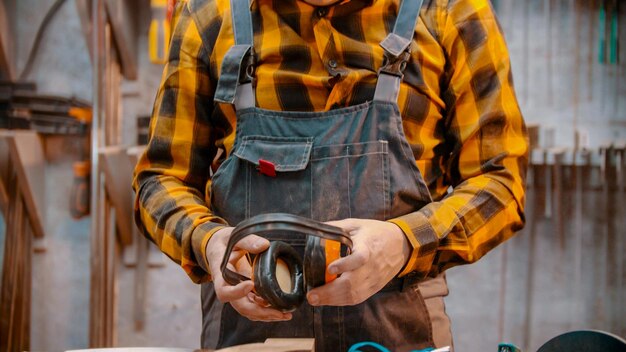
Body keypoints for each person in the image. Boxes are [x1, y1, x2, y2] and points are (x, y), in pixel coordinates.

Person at [133, 0, 527, 350]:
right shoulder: (209, 15)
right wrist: (212, 243)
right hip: (250, 339)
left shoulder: (451, 11)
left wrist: (406, 242)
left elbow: (500, 180)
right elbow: (161, 179)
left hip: (400, 336)